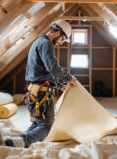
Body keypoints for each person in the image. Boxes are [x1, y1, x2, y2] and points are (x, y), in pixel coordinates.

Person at [5, 20, 77, 148]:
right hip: (41, 92)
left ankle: (19, 140)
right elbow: (53, 67)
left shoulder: (37, 42)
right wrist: (69, 78)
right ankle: (23, 140)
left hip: (33, 90)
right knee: (47, 127)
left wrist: (60, 86)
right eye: (62, 39)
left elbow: (42, 72)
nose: (61, 43)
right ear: (57, 33)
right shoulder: (46, 43)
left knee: (38, 123)